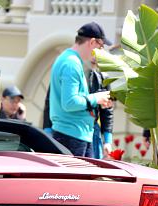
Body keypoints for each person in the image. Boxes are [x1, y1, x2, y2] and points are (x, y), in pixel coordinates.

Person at [49, 22, 113, 157]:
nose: (101, 52)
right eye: (100, 46)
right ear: (92, 42)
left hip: (74, 135)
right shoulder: (71, 64)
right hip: (72, 137)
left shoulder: (69, 59)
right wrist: (96, 98)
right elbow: (70, 103)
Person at [88, 55, 114, 159]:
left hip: (94, 131)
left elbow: (107, 110)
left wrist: (107, 141)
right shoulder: (70, 71)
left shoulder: (103, 77)